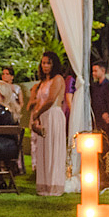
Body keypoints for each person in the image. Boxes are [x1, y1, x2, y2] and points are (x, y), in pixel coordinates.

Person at [31, 50, 67, 197]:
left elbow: (51, 99)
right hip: (43, 117)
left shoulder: (57, 79)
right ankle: (44, 185)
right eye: (43, 63)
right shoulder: (42, 83)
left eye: (48, 63)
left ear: (54, 65)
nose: (45, 66)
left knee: (53, 150)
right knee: (43, 151)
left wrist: (37, 113)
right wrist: (37, 117)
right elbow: (39, 101)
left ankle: (55, 185)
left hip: (53, 115)